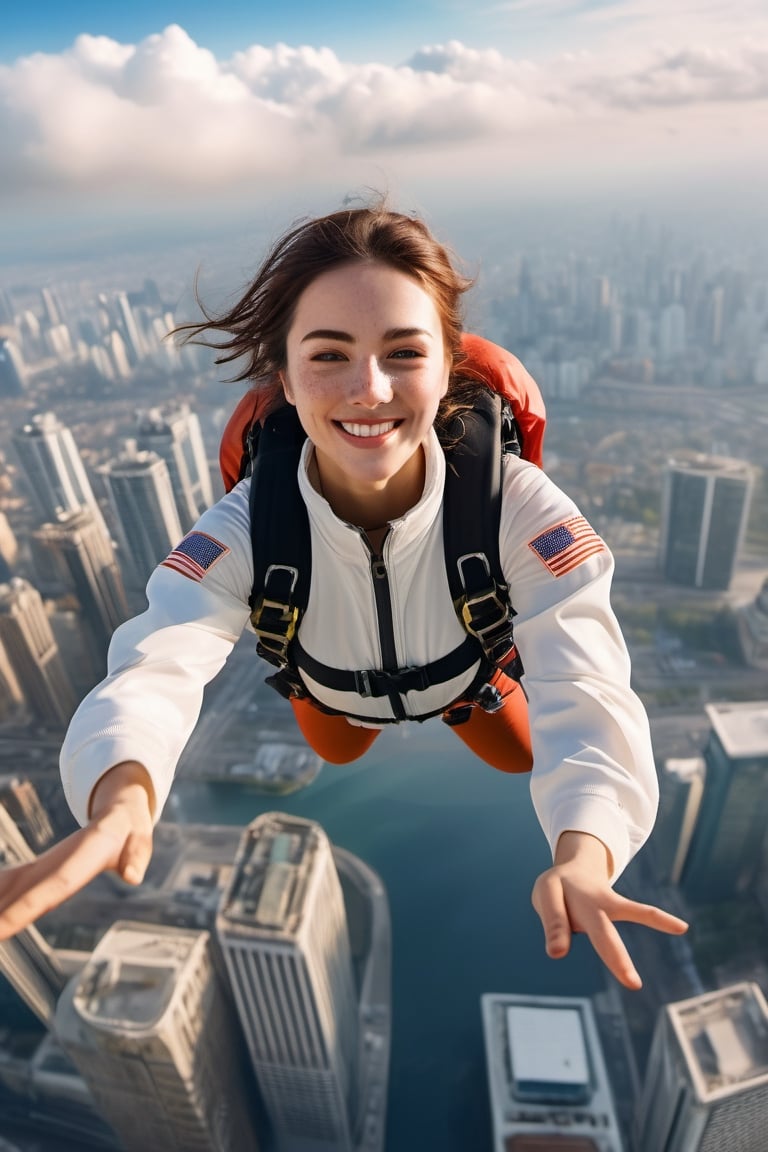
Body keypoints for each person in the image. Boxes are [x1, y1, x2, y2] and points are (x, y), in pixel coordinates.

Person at [0, 204, 687, 988]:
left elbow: (587, 681)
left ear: (447, 364)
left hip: (470, 684)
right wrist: (123, 794)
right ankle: (395, 705)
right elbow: (158, 659)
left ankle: (466, 697)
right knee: (341, 741)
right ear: (285, 379)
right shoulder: (252, 524)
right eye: (330, 355)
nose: (369, 390)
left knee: (526, 757)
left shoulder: (516, 505)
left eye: (404, 352)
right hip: (333, 701)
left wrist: (586, 851)